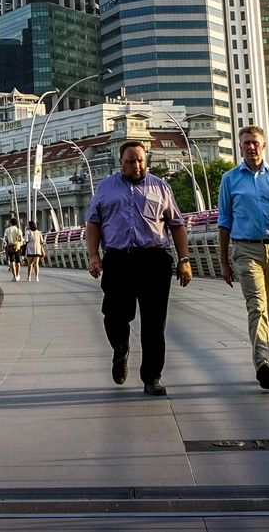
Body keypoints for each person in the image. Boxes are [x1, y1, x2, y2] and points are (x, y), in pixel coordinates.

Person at [85, 140, 193, 396]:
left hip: (153, 259)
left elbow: (176, 225)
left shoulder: (161, 187)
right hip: (118, 259)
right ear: (120, 163)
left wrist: (184, 259)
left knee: (154, 322)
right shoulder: (105, 188)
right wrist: (93, 255)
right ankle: (120, 348)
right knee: (114, 315)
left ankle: (152, 377)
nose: (137, 165)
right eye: (131, 161)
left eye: (141, 160)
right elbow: (93, 223)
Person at [216, 125, 269, 390]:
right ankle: (263, 363)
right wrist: (223, 261)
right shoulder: (229, 179)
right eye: (246, 143)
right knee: (257, 306)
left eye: (255, 143)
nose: (251, 147)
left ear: (263, 146)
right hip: (245, 249)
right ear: (240, 147)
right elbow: (224, 222)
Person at [3, 217, 25, 281]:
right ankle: (18, 275)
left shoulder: (7, 230)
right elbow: (20, 239)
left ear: (10, 223)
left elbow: (5, 239)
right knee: (18, 261)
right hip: (17, 246)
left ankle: (14, 276)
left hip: (10, 246)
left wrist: (6, 245)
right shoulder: (18, 230)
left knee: (12, 260)